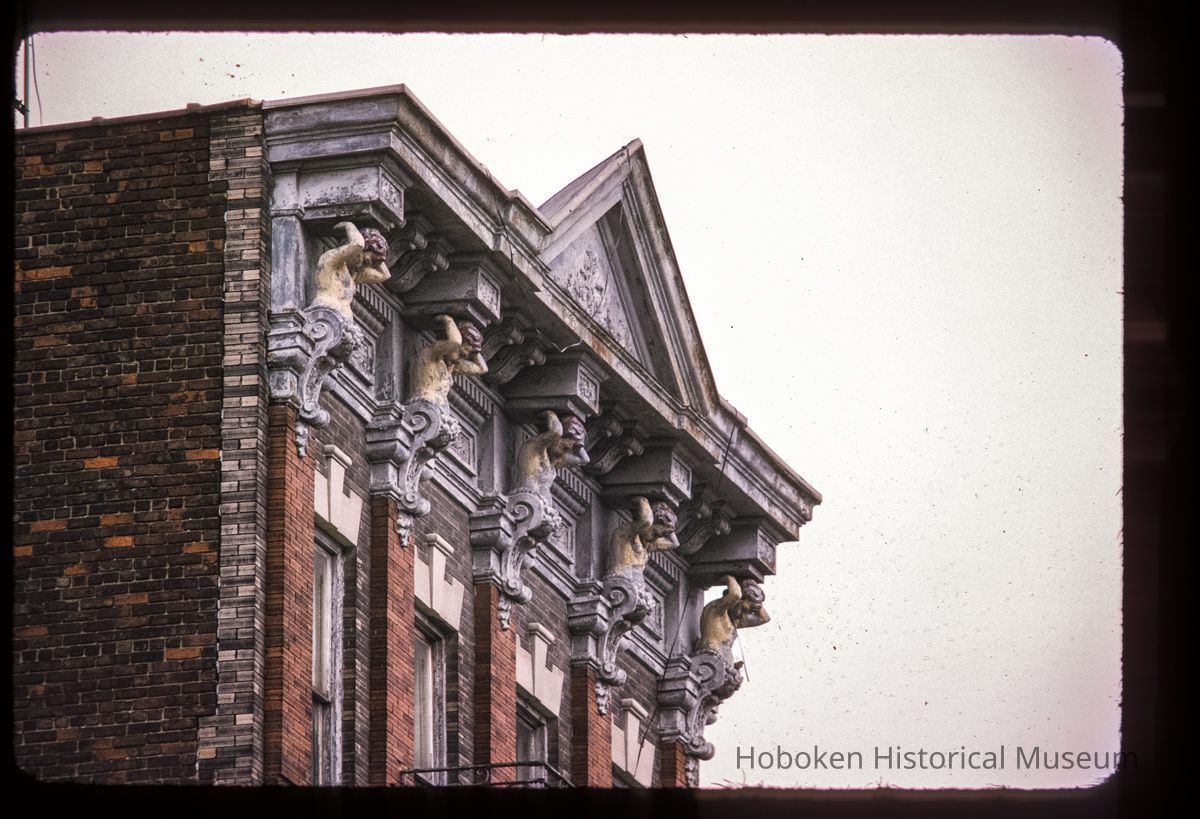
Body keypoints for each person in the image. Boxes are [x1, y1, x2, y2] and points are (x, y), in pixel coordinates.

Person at [310, 221, 390, 319]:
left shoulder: (354, 275)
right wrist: (349, 226)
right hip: (326, 313)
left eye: (367, 264)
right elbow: (358, 245)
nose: (362, 265)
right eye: (364, 261)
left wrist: (379, 248)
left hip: (345, 323)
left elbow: (385, 275)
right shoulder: (331, 261)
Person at [411, 314, 488, 407]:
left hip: (440, 409)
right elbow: (455, 342)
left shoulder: (452, 366)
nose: (460, 359)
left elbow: (482, 369)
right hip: (424, 405)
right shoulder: (431, 353)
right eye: (461, 353)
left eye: (465, 357)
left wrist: (475, 346)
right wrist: (448, 320)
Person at [695, 575, 770, 665]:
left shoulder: (735, 621)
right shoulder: (716, 610)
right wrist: (729, 577)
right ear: (738, 600)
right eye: (745, 608)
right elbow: (735, 594)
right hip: (709, 658)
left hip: (724, 664)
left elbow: (764, 618)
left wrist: (758, 600)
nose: (745, 612)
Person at [514, 410, 589, 498]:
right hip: (528, 499)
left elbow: (584, 459)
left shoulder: (554, 462)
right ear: (555, 439)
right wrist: (549, 413)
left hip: (543, 506)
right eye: (564, 448)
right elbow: (556, 433)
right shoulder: (534, 448)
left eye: (568, 450)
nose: (564, 453)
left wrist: (579, 438)